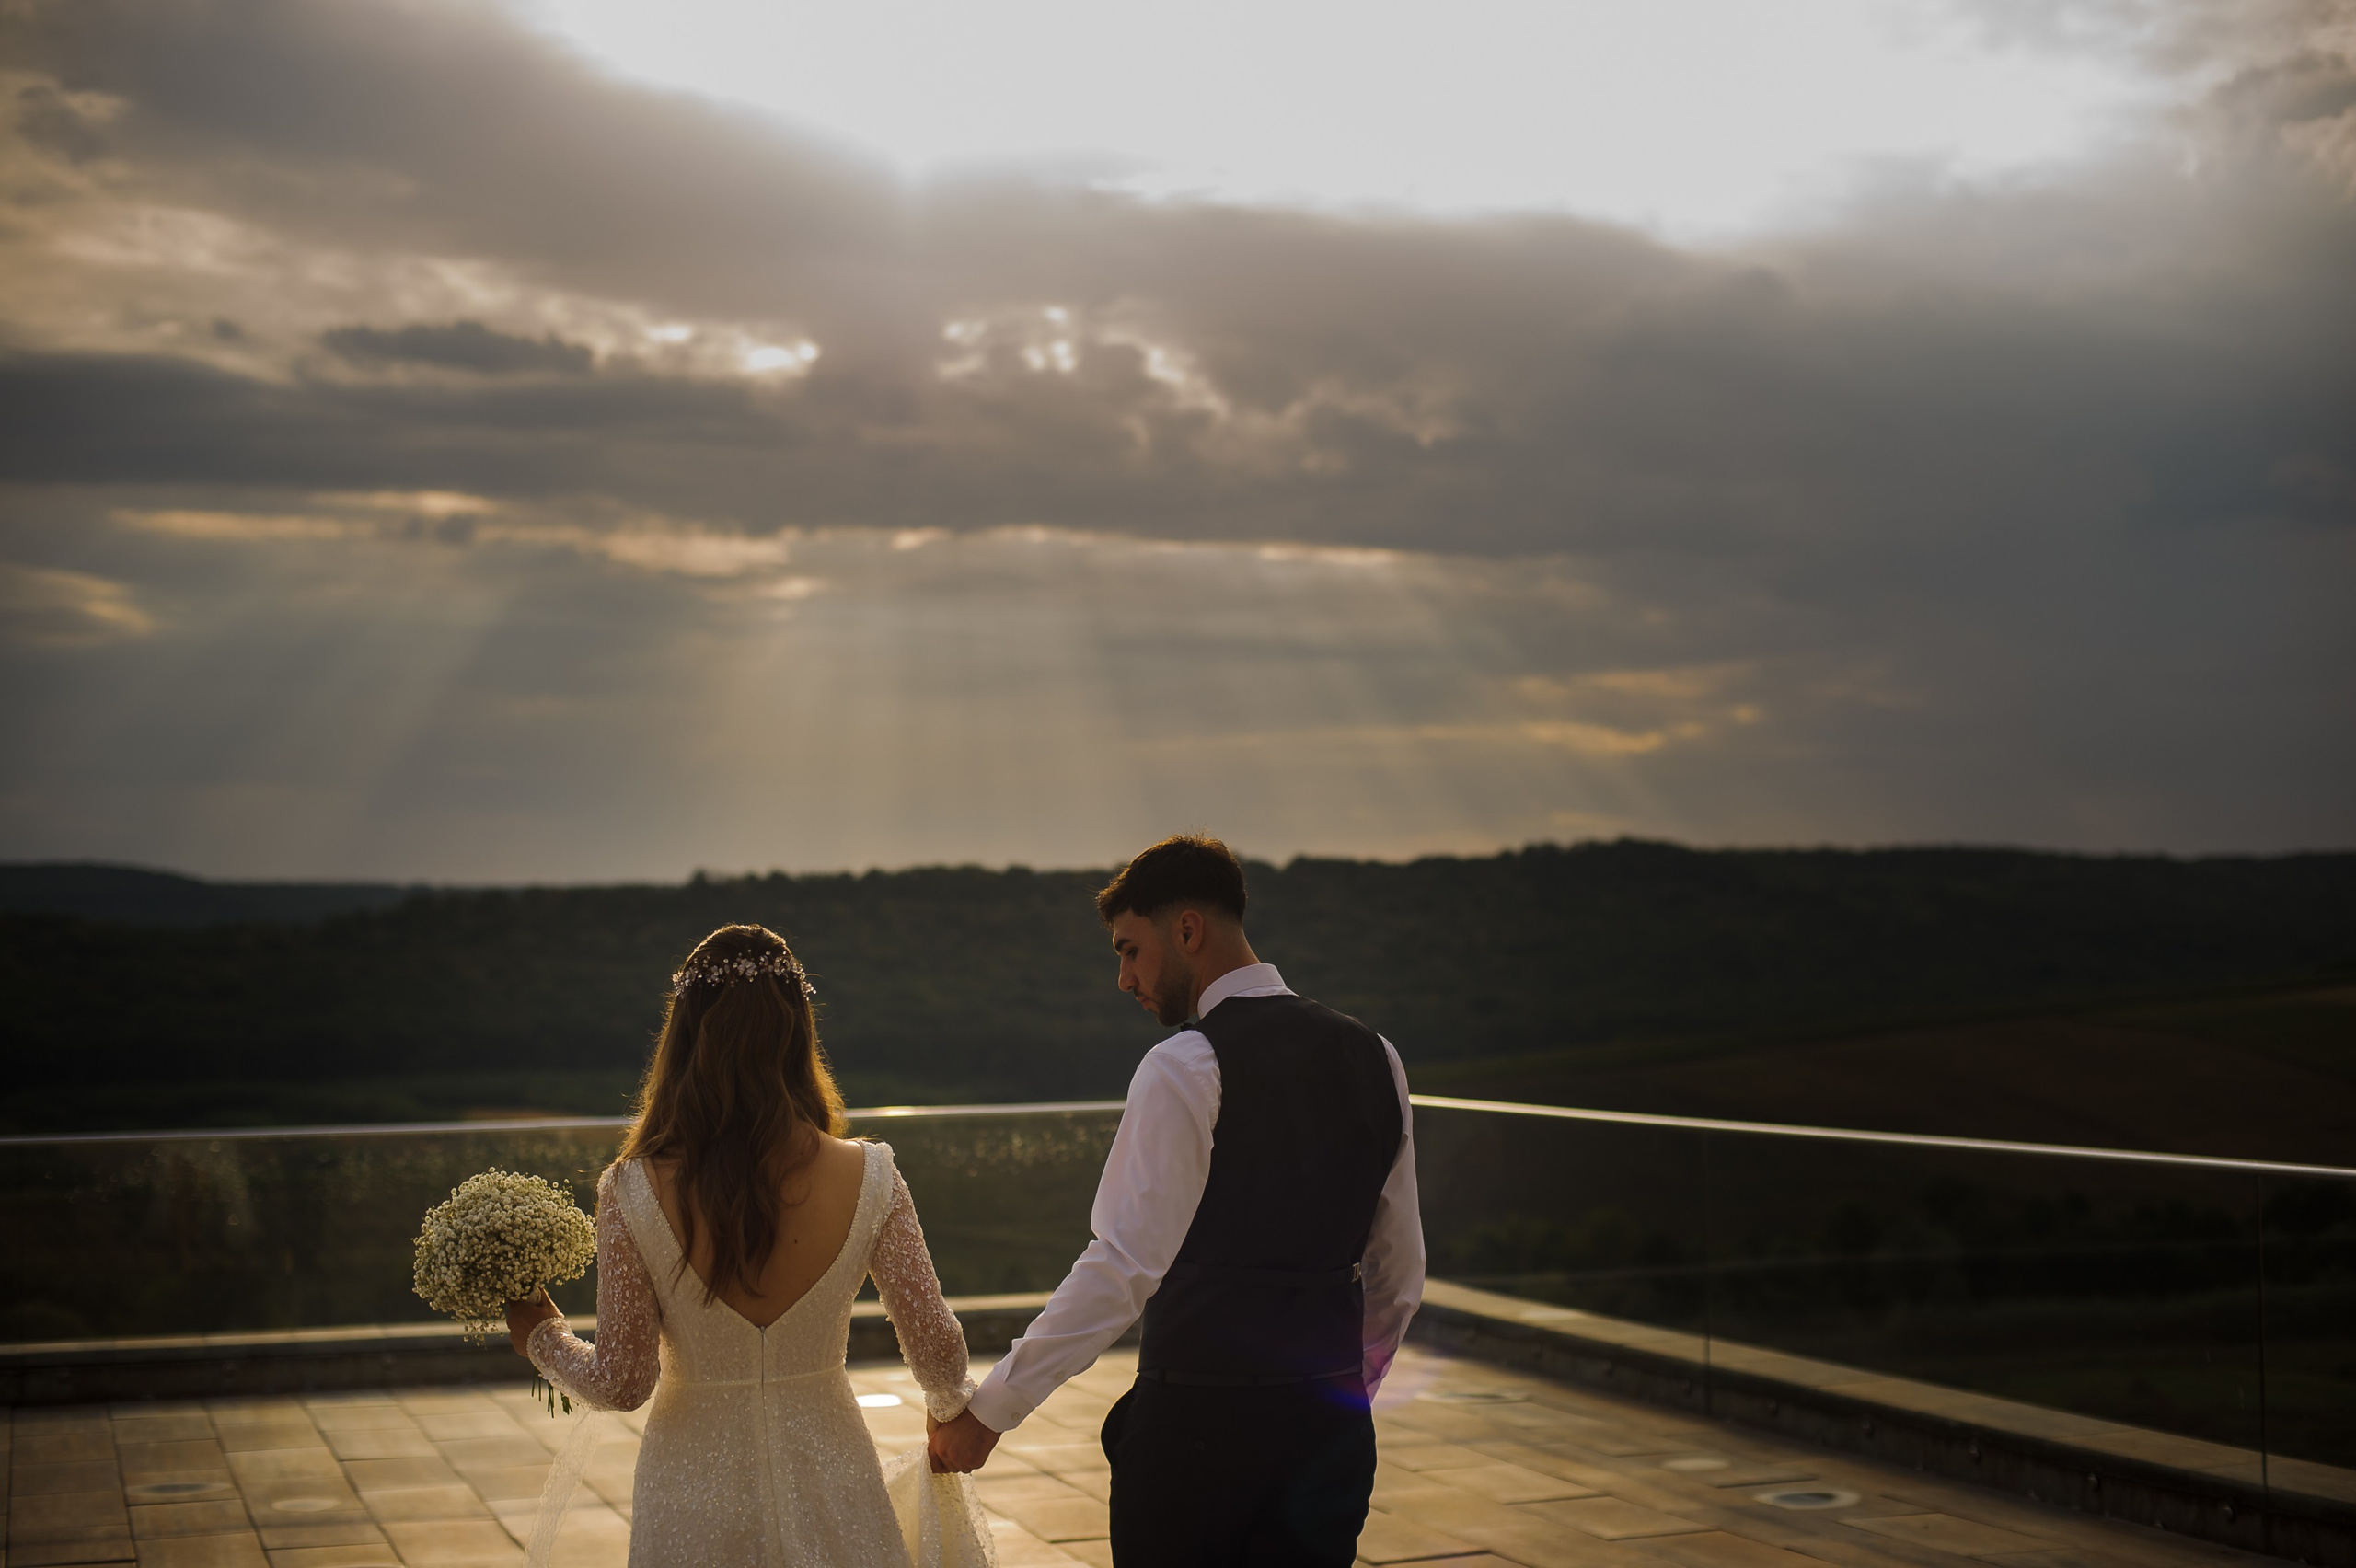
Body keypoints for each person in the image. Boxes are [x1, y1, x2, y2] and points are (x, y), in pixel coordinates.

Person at [929, 834, 1425, 1566]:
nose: (1125, 977)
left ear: (1187, 928)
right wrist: (1340, 1397)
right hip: (1329, 1437)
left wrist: (992, 1413)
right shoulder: (1377, 1055)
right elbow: (1398, 1276)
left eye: (1130, 949)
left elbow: (1122, 1266)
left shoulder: (1185, 1066)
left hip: (1198, 1436)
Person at [503, 923, 991, 1567]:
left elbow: (623, 1381)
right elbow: (934, 1345)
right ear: (797, 1031)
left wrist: (540, 1334)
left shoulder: (631, 1188)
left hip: (690, 1498)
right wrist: (949, 1408)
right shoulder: (872, 1176)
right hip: (831, 1477)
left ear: (682, 1038)